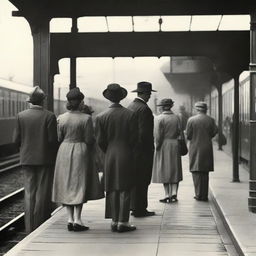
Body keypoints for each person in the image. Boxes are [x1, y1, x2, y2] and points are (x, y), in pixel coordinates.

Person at [52, 87, 103, 232]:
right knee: (79, 183)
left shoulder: (61, 118)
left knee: (67, 184)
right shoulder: (86, 118)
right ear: (81, 103)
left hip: (64, 151)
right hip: (80, 151)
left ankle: (69, 218)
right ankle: (78, 219)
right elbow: (89, 139)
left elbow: (59, 138)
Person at [13, 86, 58, 233]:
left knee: (29, 192)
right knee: (42, 192)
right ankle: (39, 227)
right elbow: (52, 140)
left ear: (29, 101)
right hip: (44, 160)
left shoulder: (21, 115)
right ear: (43, 101)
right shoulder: (49, 116)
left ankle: (29, 227)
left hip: (27, 159)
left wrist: (24, 149)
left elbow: (16, 140)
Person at [95, 83, 137, 232]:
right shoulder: (130, 115)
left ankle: (113, 220)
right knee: (125, 188)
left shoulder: (101, 117)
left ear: (108, 98)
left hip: (110, 154)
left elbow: (100, 141)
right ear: (121, 97)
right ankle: (123, 222)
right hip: (126, 153)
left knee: (112, 187)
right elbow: (134, 139)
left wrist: (109, 149)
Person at [127, 81, 156, 217]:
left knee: (134, 179)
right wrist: (150, 148)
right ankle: (140, 209)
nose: (149, 97)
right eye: (148, 94)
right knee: (143, 179)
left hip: (131, 150)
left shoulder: (130, 106)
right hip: (143, 151)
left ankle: (134, 206)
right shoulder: (144, 109)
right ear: (143, 94)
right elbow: (145, 134)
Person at [152, 98, 183, 203]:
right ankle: (174, 192)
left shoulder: (158, 118)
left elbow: (157, 135)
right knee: (175, 169)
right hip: (175, 144)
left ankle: (166, 194)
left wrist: (157, 146)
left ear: (161, 107)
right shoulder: (177, 117)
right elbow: (180, 132)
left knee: (164, 169)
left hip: (163, 145)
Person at [186, 101, 218, 201]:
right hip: (207, 148)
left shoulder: (191, 120)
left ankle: (198, 194)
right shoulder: (211, 120)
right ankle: (204, 195)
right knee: (205, 172)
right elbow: (214, 132)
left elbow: (189, 135)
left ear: (197, 109)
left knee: (196, 171)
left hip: (195, 147)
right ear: (205, 109)